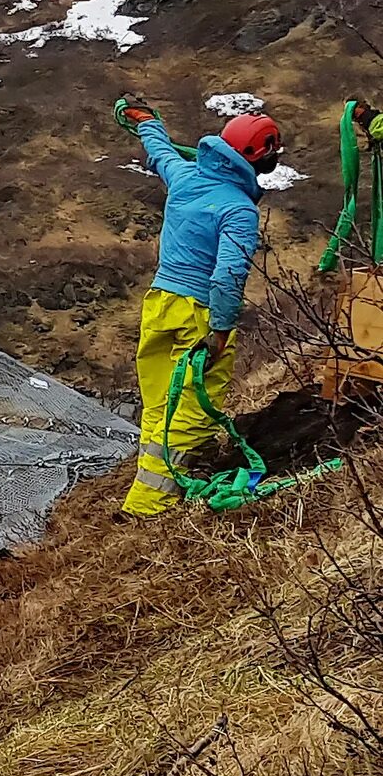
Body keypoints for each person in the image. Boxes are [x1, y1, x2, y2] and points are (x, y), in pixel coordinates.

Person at [116, 96, 278, 516]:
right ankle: (150, 507)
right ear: (260, 159)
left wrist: (146, 121)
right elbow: (227, 276)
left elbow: (161, 153)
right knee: (189, 412)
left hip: (160, 304)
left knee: (158, 403)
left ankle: (159, 483)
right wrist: (221, 330)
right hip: (198, 314)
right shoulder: (239, 210)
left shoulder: (186, 177)